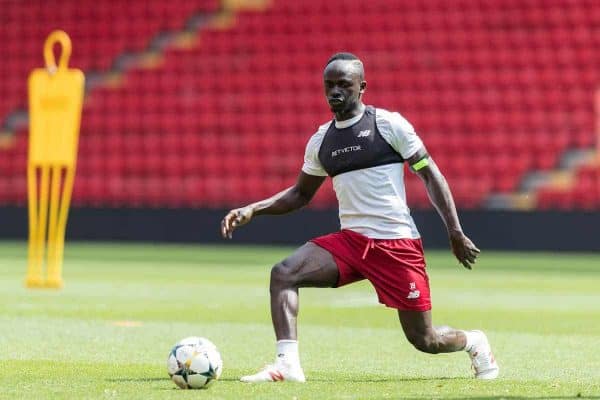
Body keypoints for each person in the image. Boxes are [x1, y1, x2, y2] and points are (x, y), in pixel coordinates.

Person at [221, 52, 499, 383]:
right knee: (284, 273)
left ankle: (475, 342)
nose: (335, 92)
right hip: (352, 243)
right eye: (329, 85)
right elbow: (300, 194)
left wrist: (455, 230)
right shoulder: (321, 141)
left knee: (425, 340)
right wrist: (254, 208)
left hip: (396, 244)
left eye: (343, 84)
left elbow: (430, 175)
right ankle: (287, 365)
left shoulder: (388, 125)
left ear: (362, 86)